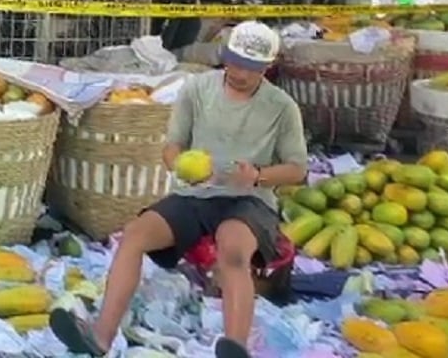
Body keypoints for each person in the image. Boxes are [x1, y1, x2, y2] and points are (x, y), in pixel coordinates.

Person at [49, 21, 308, 358]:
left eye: (250, 67)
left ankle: (236, 348)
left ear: (266, 68)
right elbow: (171, 148)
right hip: (194, 195)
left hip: (249, 201)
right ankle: (99, 338)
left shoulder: (281, 106)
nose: (239, 72)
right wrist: (182, 165)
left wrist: (258, 175)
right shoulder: (197, 89)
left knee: (232, 251)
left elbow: (297, 169)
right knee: (135, 236)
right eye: (234, 62)